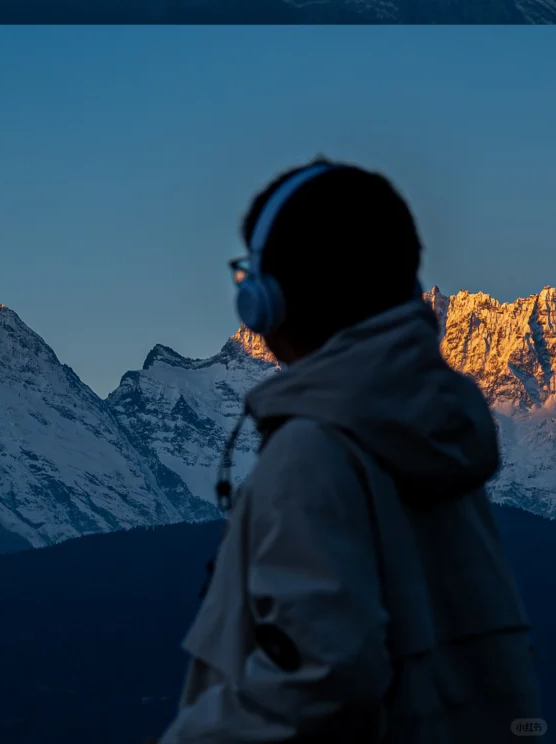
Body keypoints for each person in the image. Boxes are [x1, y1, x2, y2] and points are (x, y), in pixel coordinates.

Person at [161, 159, 542, 743]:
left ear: (273, 298)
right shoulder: (432, 439)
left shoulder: (316, 448)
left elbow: (319, 679)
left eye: (251, 274)